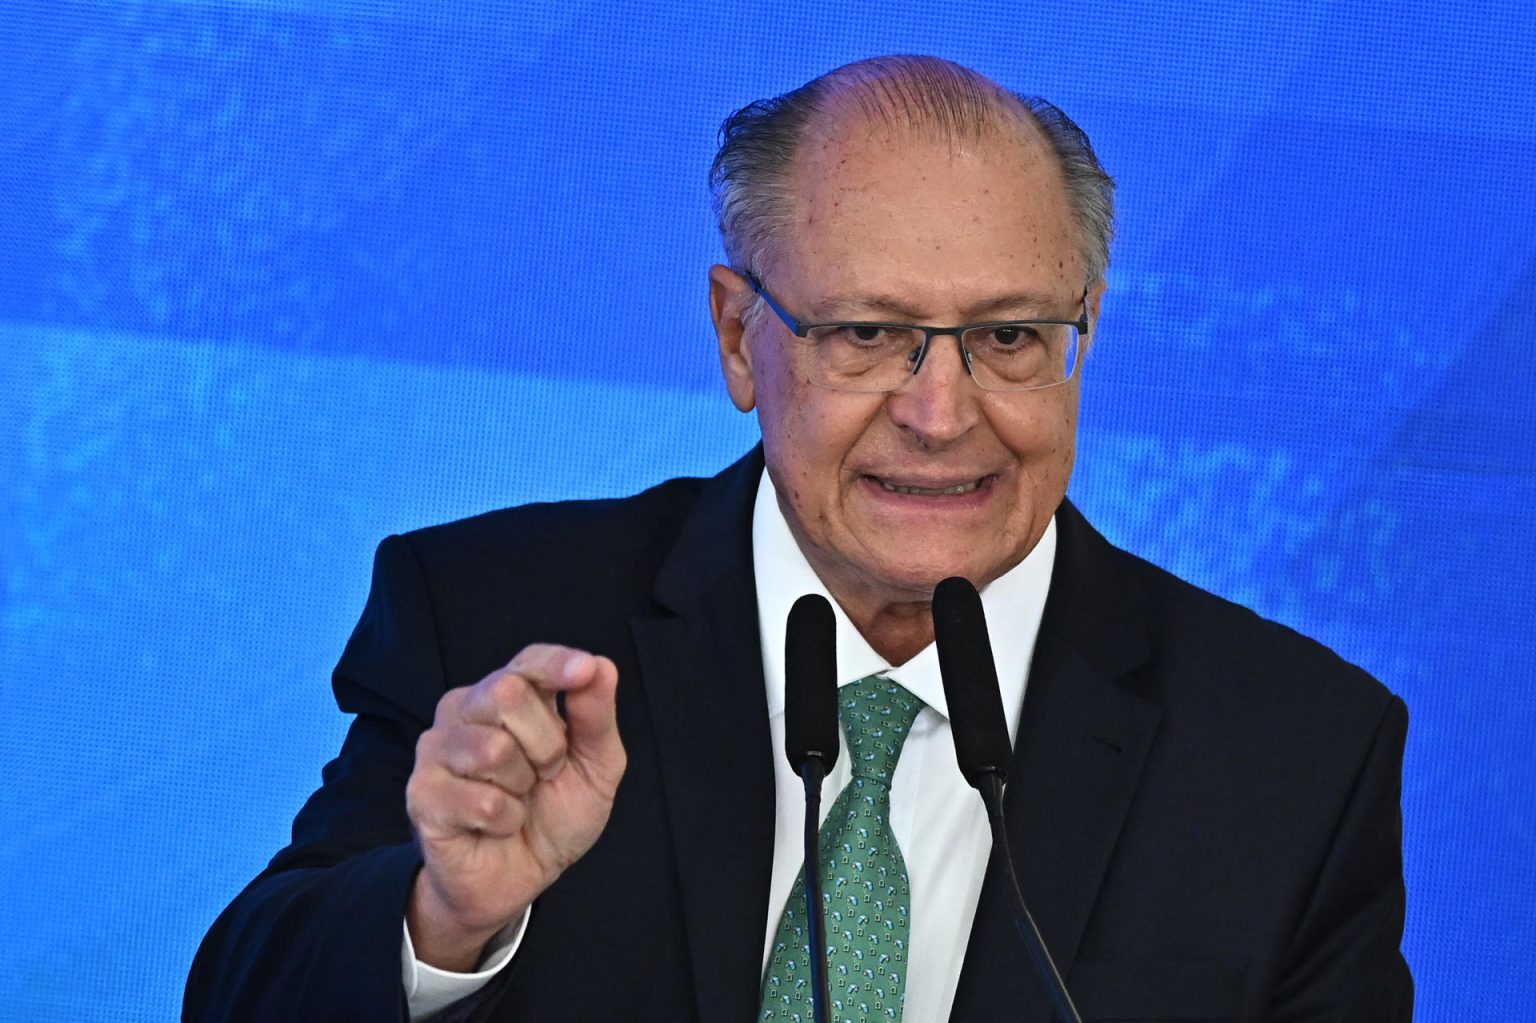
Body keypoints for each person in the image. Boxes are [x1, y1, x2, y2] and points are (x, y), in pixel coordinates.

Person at [185, 56, 1412, 1021]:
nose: (942, 416)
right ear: (737, 336)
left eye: (1012, 337)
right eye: (868, 334)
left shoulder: (1296, 752)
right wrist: (442, 919)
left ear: (1084, 327)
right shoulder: (498, 620)